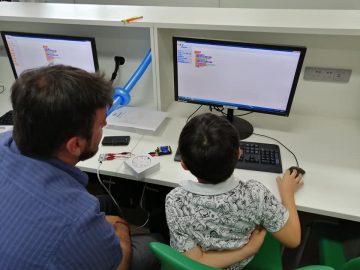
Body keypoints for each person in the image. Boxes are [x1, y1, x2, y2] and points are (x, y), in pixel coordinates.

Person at [0, 65, 161, 270]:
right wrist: (121, 230)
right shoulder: (76, 218)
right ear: (75, 145)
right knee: (152, 243)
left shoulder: (4, 140)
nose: (103, 130)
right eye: (101, 125)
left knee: (105, 204)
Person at [165, 113, 304, 269]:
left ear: (183, 164)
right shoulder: (255, 194)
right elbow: (294, 239)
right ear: (239, 153)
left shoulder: (175, 201)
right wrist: (287, 192)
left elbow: (195, 262)